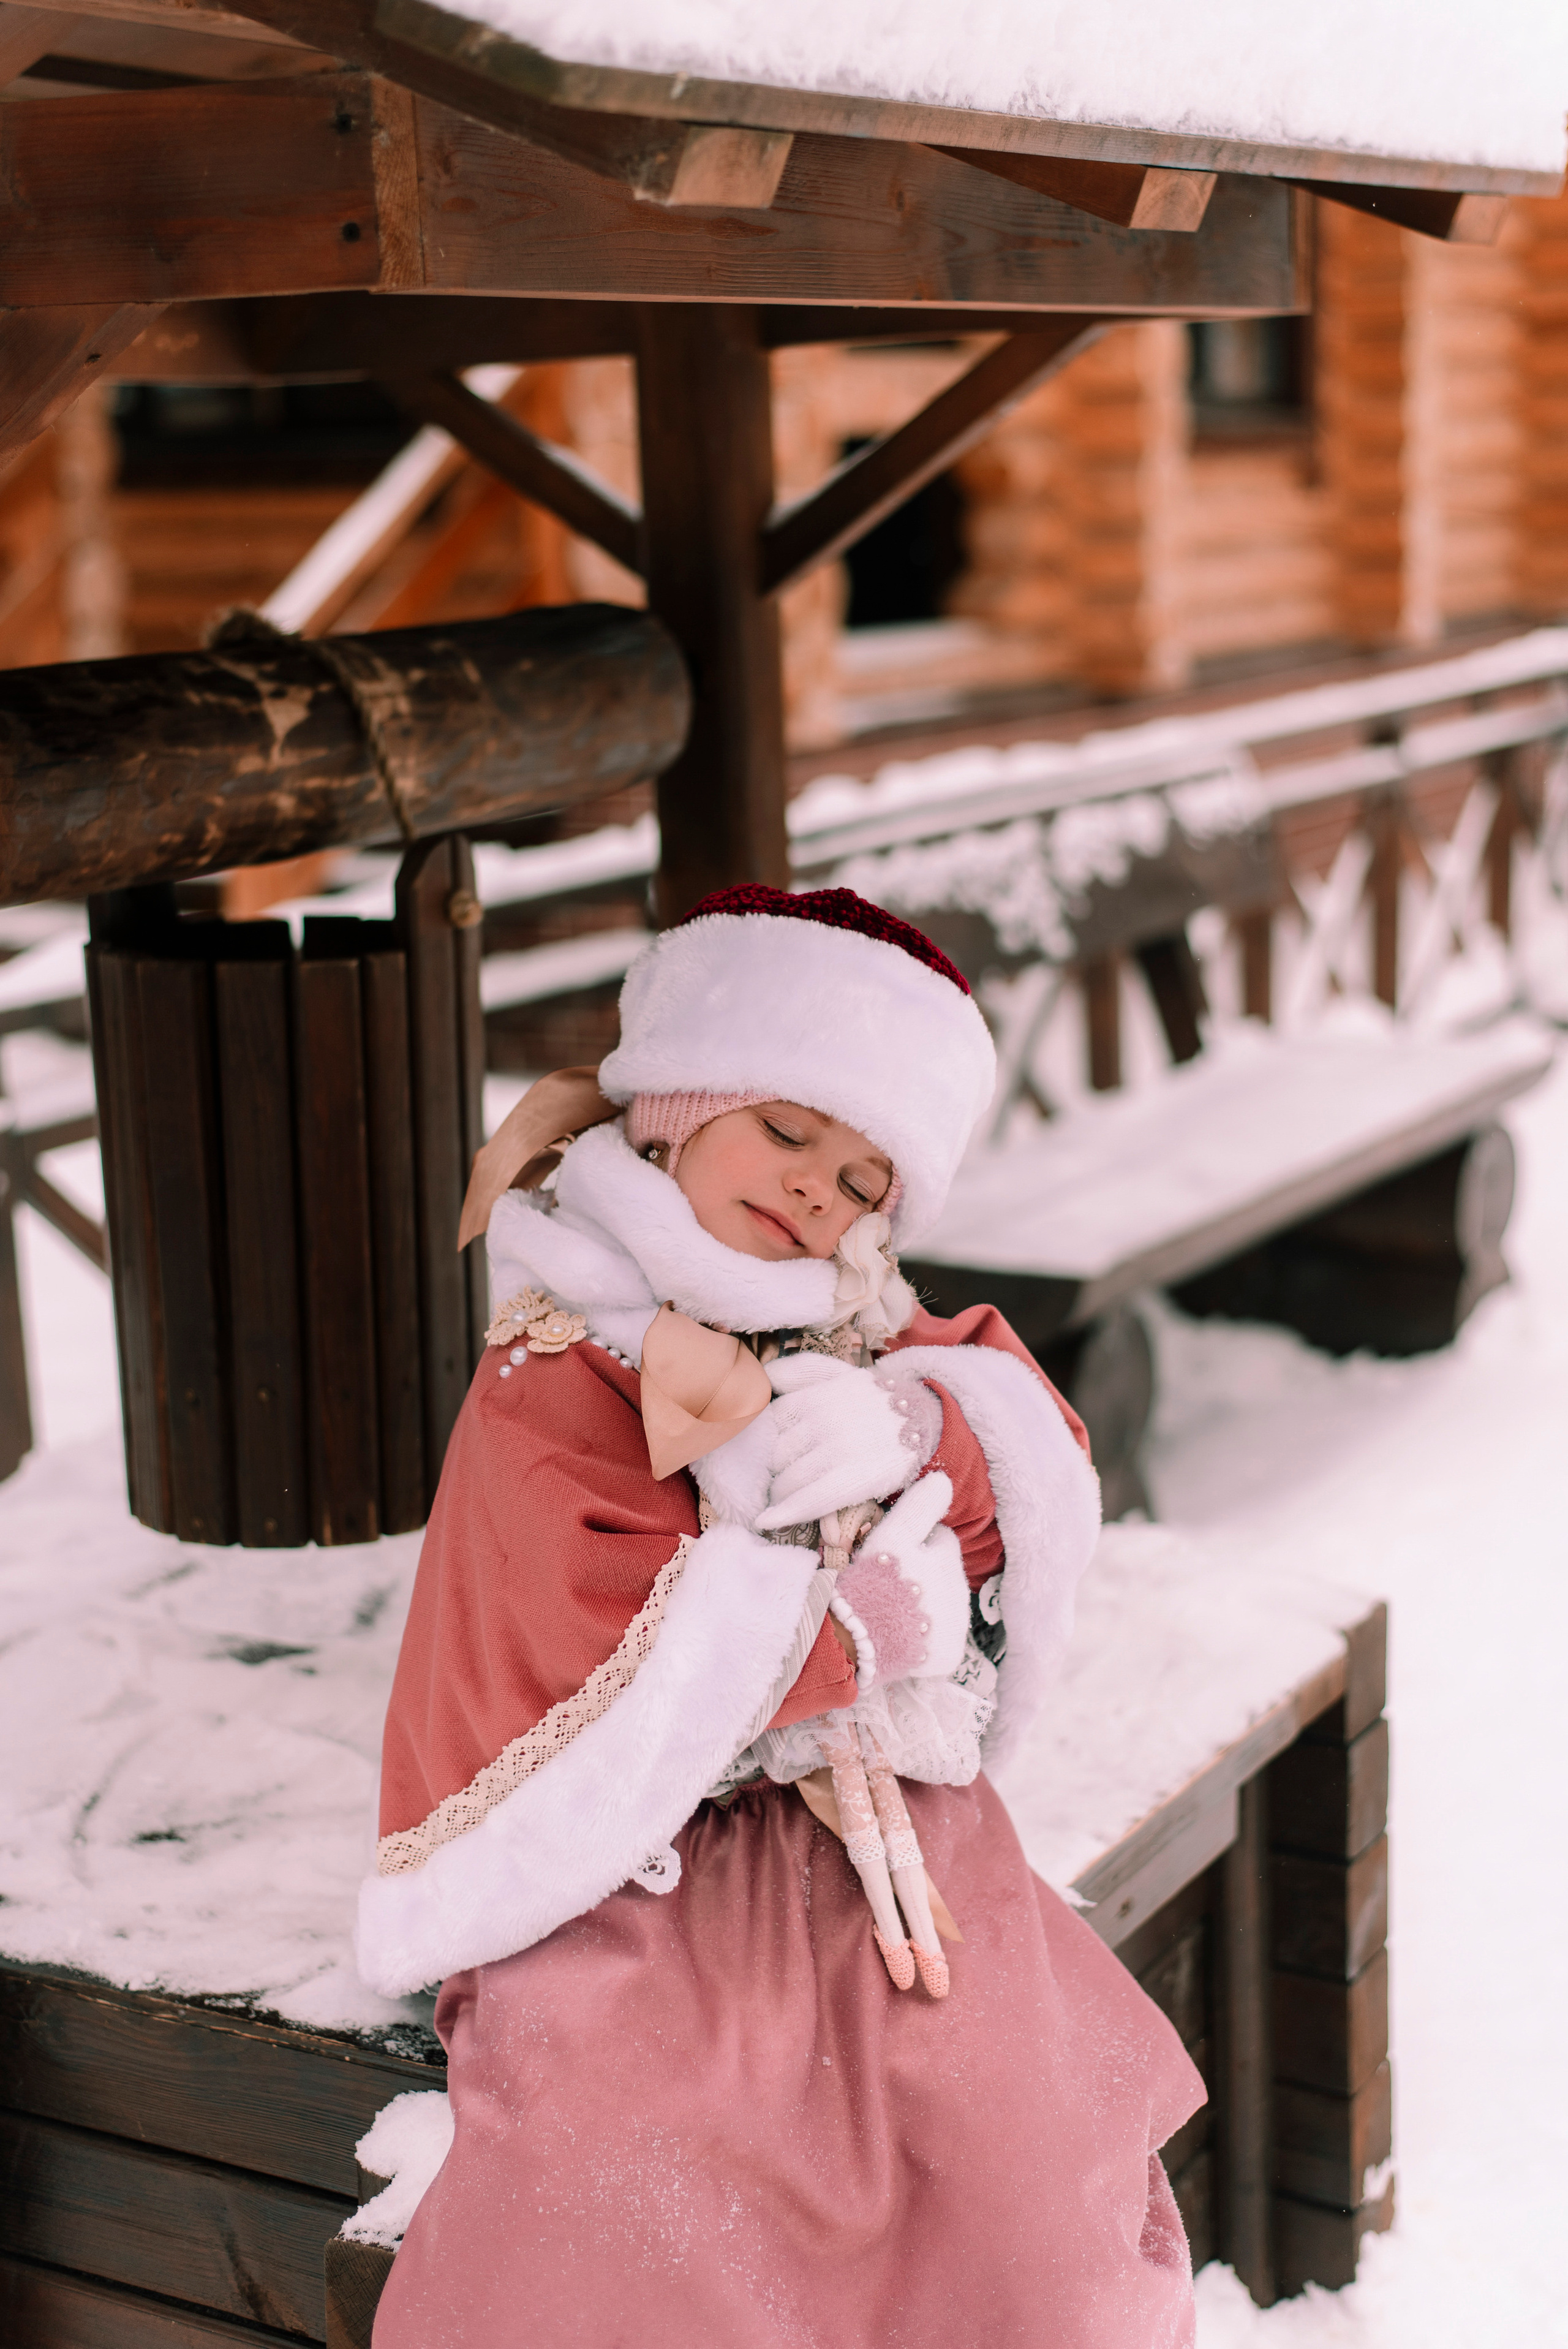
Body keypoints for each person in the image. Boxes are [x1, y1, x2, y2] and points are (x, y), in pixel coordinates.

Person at [361, 884, 1204, 2349]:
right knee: (627, 2159)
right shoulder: (561, 1355)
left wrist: (919, 1431)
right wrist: (857, 1628)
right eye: (788, 1133)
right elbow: (575, 1643)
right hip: (640, 1875)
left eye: (865, 1177)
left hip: (876, 1838)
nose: (821, 1191)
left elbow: (1022, 1446)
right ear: (677, 1114)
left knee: (1006, 2121)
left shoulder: (848, 1323)